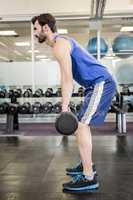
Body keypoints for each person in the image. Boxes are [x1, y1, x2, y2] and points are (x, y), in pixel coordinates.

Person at [31, 13, 116, 193]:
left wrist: (64, 106)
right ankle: (87, 165)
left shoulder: (60, 44)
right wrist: (66, 103)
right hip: (92, 86)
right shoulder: (60, 43)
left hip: (101, 82)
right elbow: (64, 77)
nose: (34, 33)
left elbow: (68, 79)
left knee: (82, 125)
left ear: (46, 28)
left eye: (36, 29)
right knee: (80, 125)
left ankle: (89, 178)